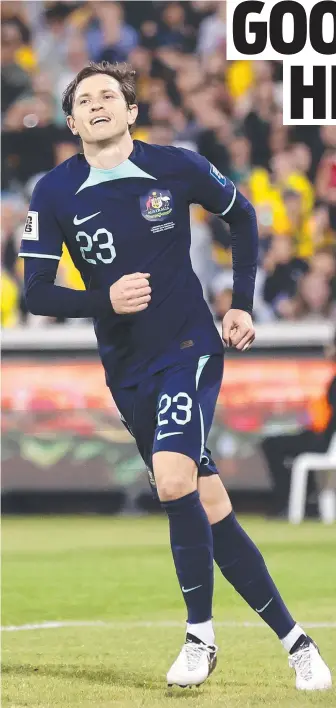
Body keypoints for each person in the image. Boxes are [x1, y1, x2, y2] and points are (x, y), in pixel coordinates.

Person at [19, 61, 331, 692]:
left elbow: (242, 216)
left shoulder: (177, 166)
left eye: (111, 96)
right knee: (208, 503)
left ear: (132, 111)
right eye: (86, 100)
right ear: (72, 119)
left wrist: (240, 301)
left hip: (189, 346)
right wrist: (105, 298)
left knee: (170, 480)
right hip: (126, 367)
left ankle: (199, 638)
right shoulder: (52, 193)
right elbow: (36, 293)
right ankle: (298, 643)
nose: (100, 105)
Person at [262, 331, 336, 516]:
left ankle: (287, 500)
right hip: (323, 436)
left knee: (272, 445)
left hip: (326, 440)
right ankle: (301, 497)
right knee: (278, 444)